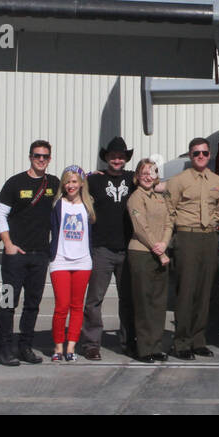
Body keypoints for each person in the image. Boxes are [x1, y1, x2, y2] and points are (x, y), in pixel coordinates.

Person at [0, 139, 59, 366]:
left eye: (45, 156)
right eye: (37, 155)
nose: (41, 159)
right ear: (30, 157)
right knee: (7, 302)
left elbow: (74, 191)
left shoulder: (53, 183)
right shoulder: (15, 182)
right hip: (14, 256)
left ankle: (25, 347)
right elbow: (0, 214)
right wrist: (8, 244)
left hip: (39, 255)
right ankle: (3, 348)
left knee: (33, 304)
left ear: (50, 159)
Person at [165, 137, 219, 359]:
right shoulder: (178, 181)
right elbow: (169, 211)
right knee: (186, 291)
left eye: (204, 153)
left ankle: (198, 340)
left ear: (209, 155)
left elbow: (218, 209)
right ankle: (181, 342)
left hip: (208, 238)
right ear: (190, 156)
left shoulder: (218, 182)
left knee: (205, 292)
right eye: (196, 153)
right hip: (187, 237)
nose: (201, 157)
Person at [80, 136, 138, 360]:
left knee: (128, 299)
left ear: (125, 159)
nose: (117, 159)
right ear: (106, 158)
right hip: (101, 248)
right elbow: (70, 183)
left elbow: (154, 181)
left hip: (127, 247)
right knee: (94, 299)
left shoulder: (133, 179)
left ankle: (128, 340)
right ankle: (91, 343)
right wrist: (85, 174)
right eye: (113, 156)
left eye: (121, 156)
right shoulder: (94, 181)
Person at [126, 158, 173, 363]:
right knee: (144, 303)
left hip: (160, 252)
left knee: (158, 302)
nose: (147, 176)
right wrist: (159, 250)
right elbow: (140, 228)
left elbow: (170, 221)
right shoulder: (136, 198)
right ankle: (144, 349)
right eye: (143, 173)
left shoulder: (160, 198)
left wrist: (165, 243)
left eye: (152, 173)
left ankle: (156, 346)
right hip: (142, 253)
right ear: (137, 176)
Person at [48, 166, 94, 362]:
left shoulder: (88, 205)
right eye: (67, 181)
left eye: (74, 181)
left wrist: (96, 173)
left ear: (81, 183)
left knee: (77, 306)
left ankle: (71, 347)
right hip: (60, 260)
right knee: (61, 306)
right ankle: (58, 347)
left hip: (83, 261)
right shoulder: (58, 204)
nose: (70, 185)